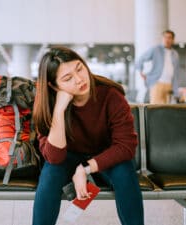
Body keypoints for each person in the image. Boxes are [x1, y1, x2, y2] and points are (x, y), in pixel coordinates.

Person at [32, 46, 144, 225]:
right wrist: (59, 110)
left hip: (108, 158)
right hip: (67, 158)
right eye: (67, 78)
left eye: (79, 68)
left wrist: (85, 168)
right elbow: (54, 156)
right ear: (53, 86)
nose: (79, 79)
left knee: (124, 171)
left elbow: (126, 146)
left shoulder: (110, 95)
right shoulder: (48, 105)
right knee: (50, 174)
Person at [135, 29, 180, 104]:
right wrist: (141, 71)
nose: (167, 39)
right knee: (156, 109)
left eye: (169, 37)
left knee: (167, 110)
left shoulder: (175, 54)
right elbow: (141, 59)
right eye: (165, 37)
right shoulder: (156, 49)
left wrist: (176, 90)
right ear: (162, 39)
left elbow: (176, 73)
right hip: (157, 83)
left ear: (173, 40)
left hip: (169, 85)